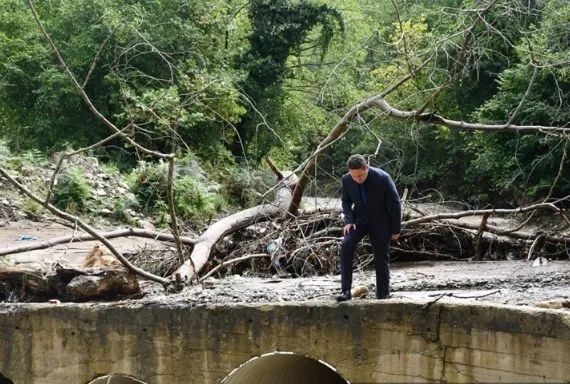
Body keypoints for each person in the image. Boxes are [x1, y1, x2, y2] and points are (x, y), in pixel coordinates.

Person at [336, 154, 401, 301]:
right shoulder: (347, 179)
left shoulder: (382, 178)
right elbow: (346, 202)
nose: (357, 179)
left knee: (381, 256)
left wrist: (396, 229)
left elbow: (395, 203)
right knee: (346, 246)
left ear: (367, 168)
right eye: (354, 176)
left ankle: (383, 294)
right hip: (358, 220)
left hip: (380, 221)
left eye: (360, 176)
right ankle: (345, 291)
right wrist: (349, 220)